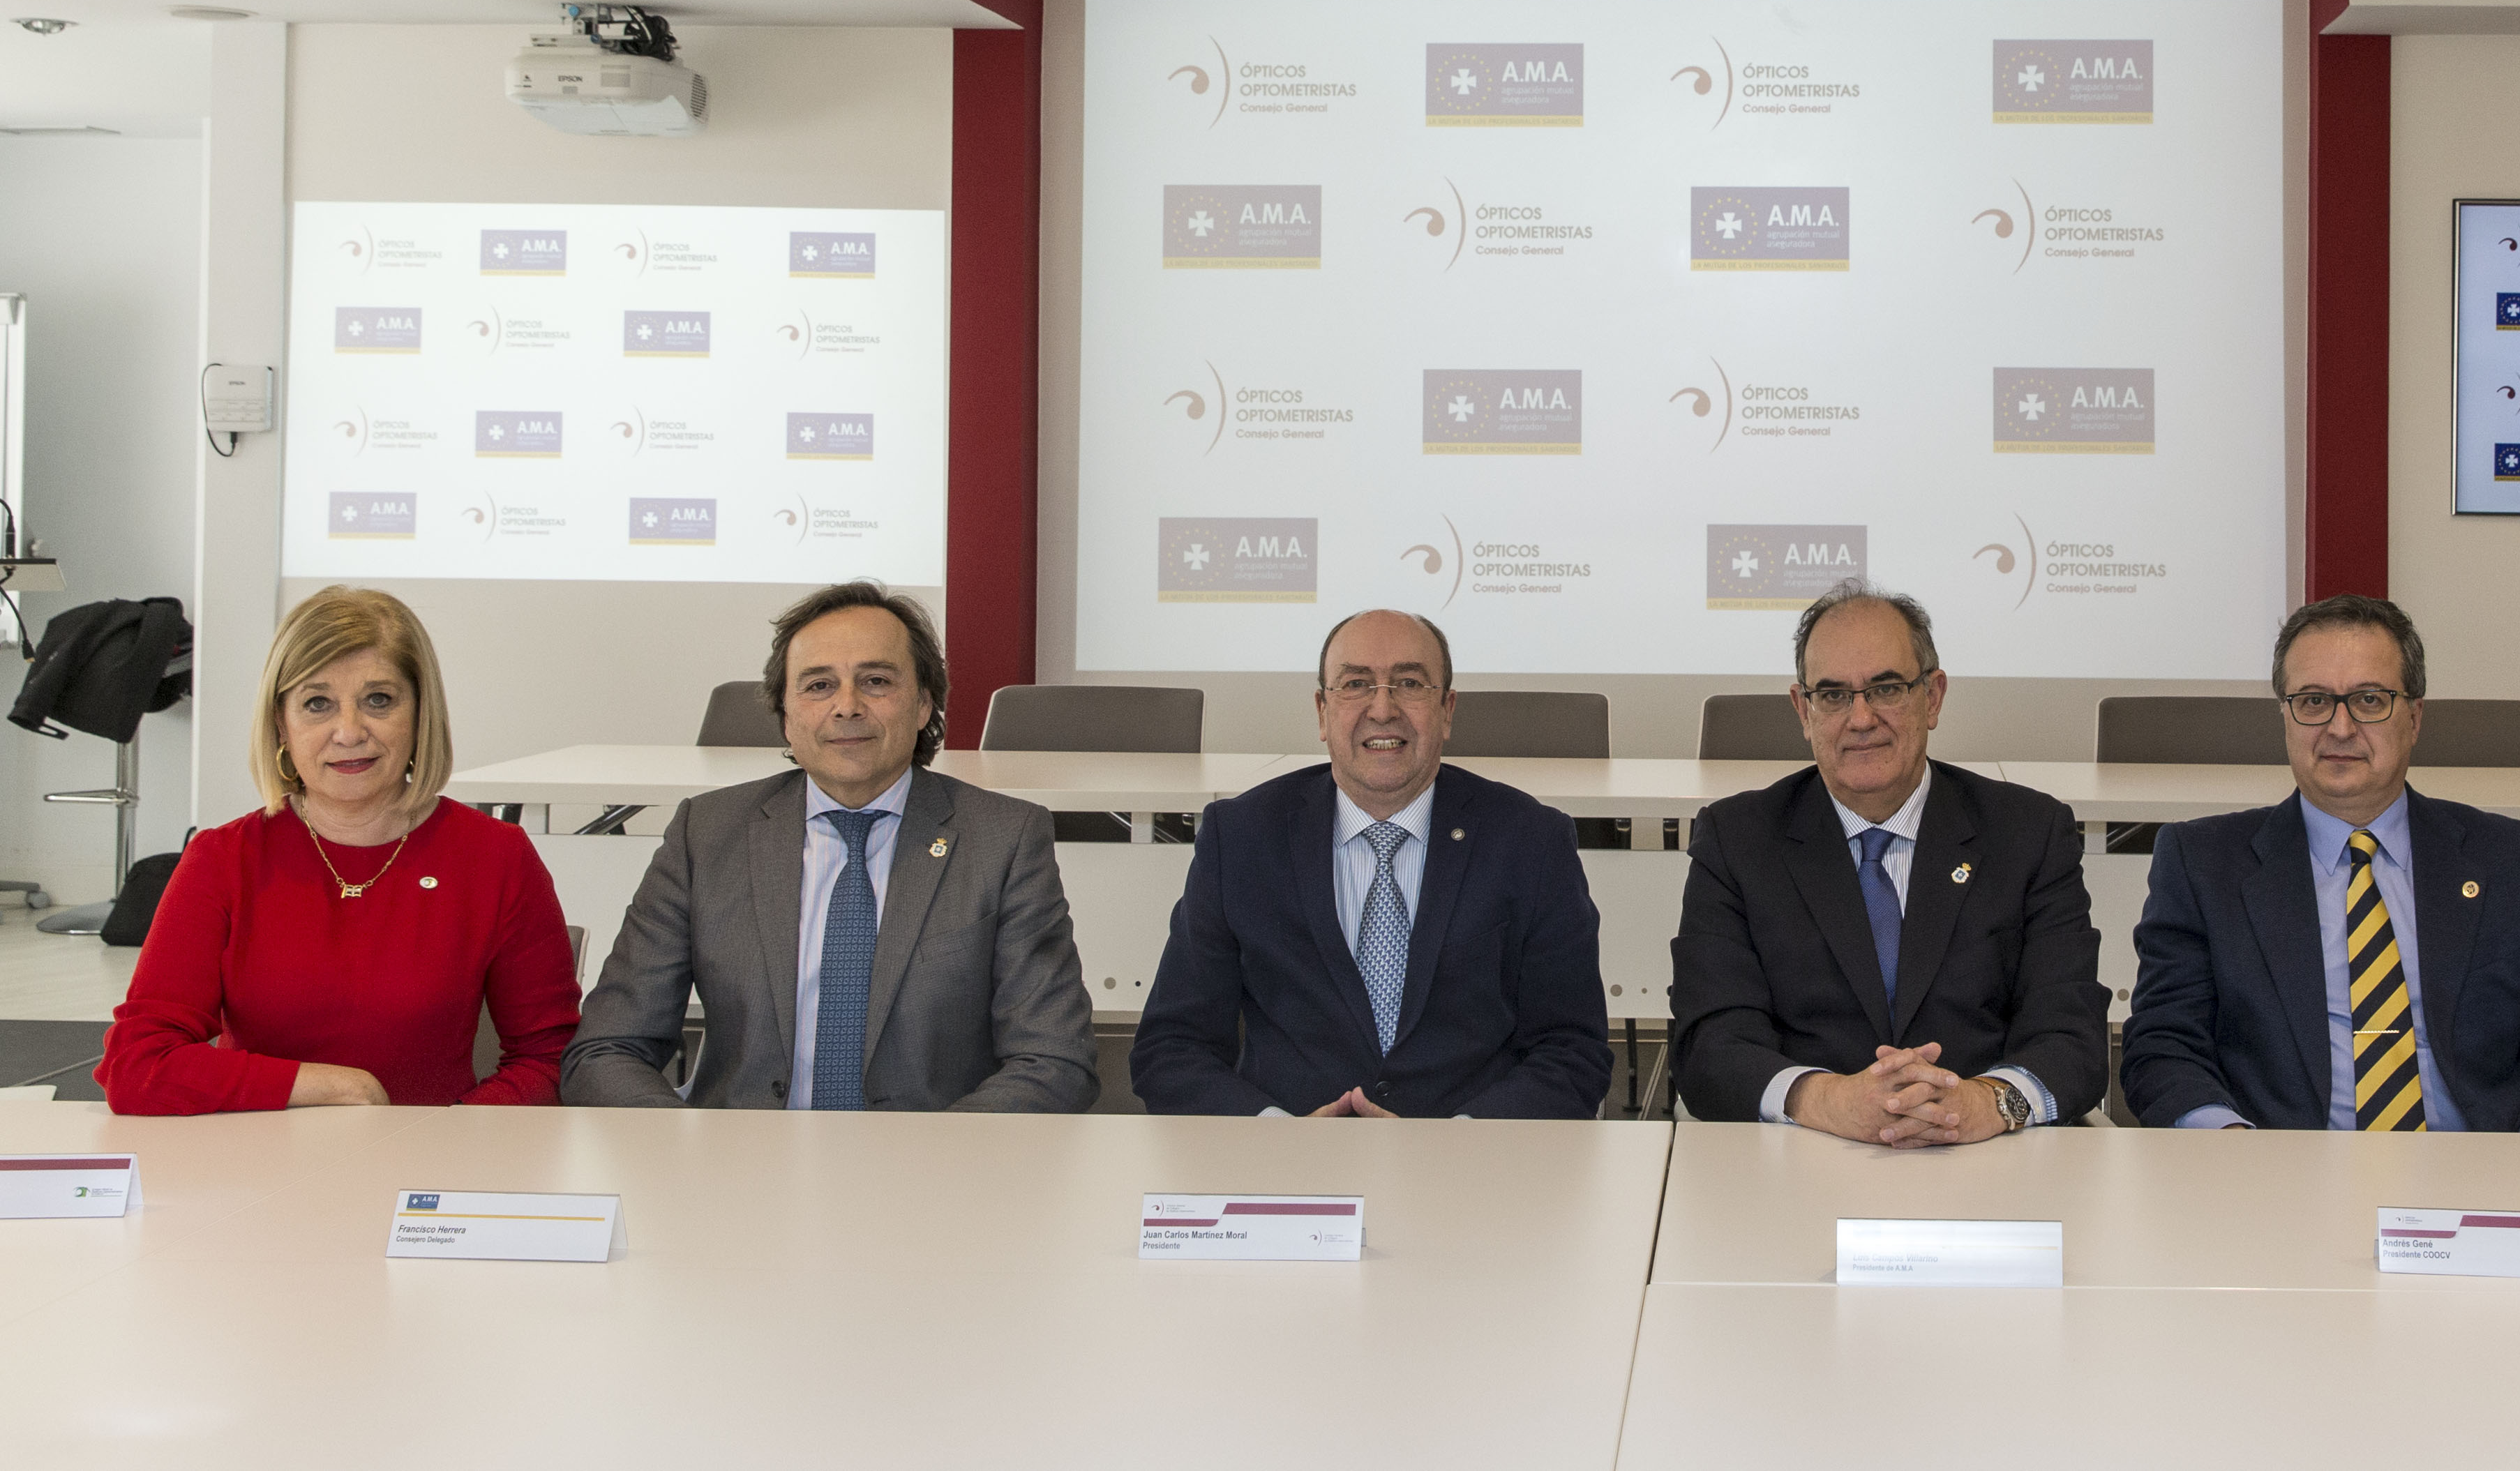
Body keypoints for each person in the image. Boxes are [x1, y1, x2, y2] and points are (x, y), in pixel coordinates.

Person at [562, 582, 1096, 1111]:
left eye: (876, 681)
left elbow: (1053, 1059)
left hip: (934, 1156)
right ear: (786, 716)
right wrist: (690, 1146)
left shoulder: (1004, 839)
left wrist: (936, 1152)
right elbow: (608, 1049)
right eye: (819, 685)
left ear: (922, 704)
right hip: (738, 1154)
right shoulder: (706, 834)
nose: (847, 706)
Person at [2120, 594, 2520, 1131]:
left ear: (2414, 717)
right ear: (2284, 716)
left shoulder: (2507, 857)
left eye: (2369, 700)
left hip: (2482, 1163)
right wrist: (2230, 1142)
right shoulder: (2202, 862)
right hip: (2275, 1165)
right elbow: (2164, 1045)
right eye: (2313, 701)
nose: (2339, 727)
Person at [100, 587, 580, 1113]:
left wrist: (451, 1133)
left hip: (433, 1155)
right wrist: (339, 1089)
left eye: (379, 700)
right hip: (258, 1155)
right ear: (281, 723)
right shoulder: (222, 858)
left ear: (421, 714)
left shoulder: (495, 855)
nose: (349, 732)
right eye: (317, 704)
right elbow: (137, 1064)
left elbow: (551, 1059)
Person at [1669, 581, 2103, 1142]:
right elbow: (1709, 1044)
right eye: (1832, 695)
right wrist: (1826, 1099)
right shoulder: (1737, 838)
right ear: (1803, 710)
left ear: (1933, 696)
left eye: (1886, 688)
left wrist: (1985, 1103)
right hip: (1803, 1149)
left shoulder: (2028, 832)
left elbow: (2072, 1036)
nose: (1861, 717)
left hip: (1990, 1151)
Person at [1133, 609, 1611, 1117]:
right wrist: (1276, 1133)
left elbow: (1572, 1050)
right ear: (1322, 711)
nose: (1382, 709)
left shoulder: (1531, 840)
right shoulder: (1241, 838)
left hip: (1471, 1155)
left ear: (1447, 710)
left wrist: (1459, 1141)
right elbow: (1172, 1048)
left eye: (1410, 683)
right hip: (1286, 1153)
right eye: (1356, 684)